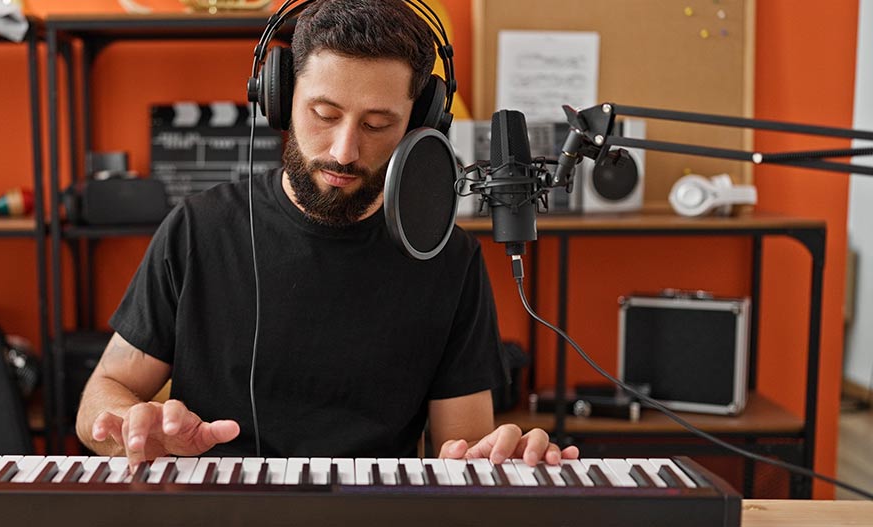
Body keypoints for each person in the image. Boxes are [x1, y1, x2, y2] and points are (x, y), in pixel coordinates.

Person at [76, 0, 579, 470]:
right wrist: (131, 429)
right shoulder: (197, 229)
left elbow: (463, 451)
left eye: (378, 124)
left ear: (420, 122)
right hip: (222, 511)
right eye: (324, 115)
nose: (344, 151)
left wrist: (497, 462)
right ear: (279, 97)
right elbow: (104, 394)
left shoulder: (447, 256)